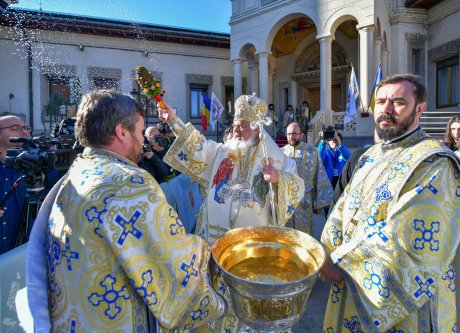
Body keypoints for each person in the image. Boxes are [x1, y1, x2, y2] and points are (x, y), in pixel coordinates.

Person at [27, 90, 227, 331]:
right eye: (141, 132)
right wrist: (210, 255)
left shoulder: (76, 173)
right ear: (122, 131)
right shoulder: (128, 183)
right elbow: (173, 264)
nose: (143, 141)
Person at [319, 74, 460, 332]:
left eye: (397, 102)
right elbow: (342, 208)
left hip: (404, 305)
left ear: (419, 108)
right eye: (381, 101)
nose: (386, 108)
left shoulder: (435, 161)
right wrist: (325, 251)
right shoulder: (370, 156)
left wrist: (342, 263)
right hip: (352, 285)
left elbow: (409, 235)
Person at [159, 93, 304, 332]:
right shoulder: (221, 153)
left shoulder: (278, 160)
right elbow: (196, 146)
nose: (237, 131)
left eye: (243, 126)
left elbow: (297, 187)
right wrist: (174, 120)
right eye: (235, 126)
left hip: (251, 253)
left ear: (257, 128)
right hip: (214, 245)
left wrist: (279, 180)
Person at [281, 122, 332, 235]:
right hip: (286, 200)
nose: (291, 137)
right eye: (289, 134)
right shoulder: (281, 153)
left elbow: (320, 174)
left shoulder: (312, 152)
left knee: (304, 234)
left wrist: (319, 203)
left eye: (294, 133)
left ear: (302, 134)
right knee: (286, 235)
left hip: (305, 200)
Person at [0, 115, 30, 255]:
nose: (24, 132)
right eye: (15, 129)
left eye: (25, 128)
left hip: (23, 254)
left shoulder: (37, 166)